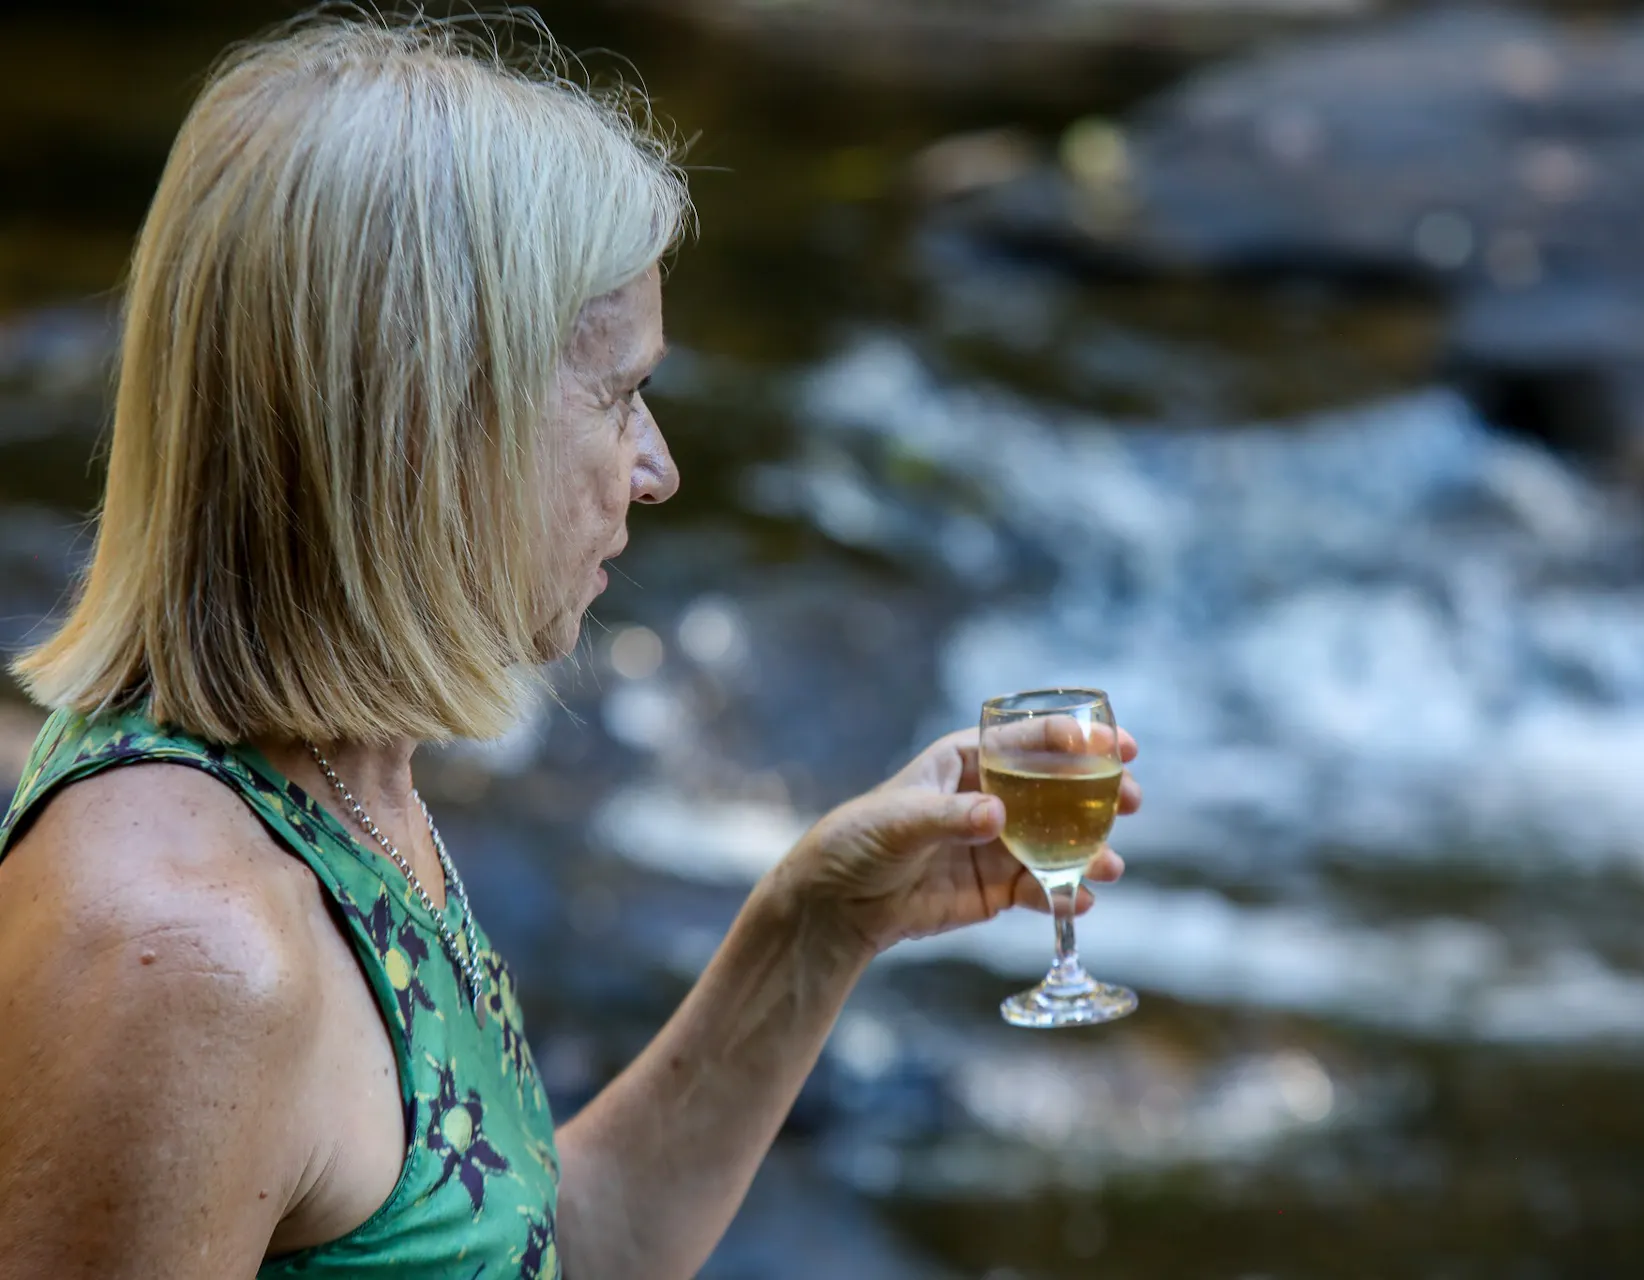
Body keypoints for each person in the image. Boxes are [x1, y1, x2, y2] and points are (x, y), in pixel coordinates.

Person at [0, 15, 1137, 1278]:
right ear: (432, 426)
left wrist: (814, 925)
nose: (659, 468)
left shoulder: (333, 785)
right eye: (617, 393)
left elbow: (541, 1245)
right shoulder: (185, 955)